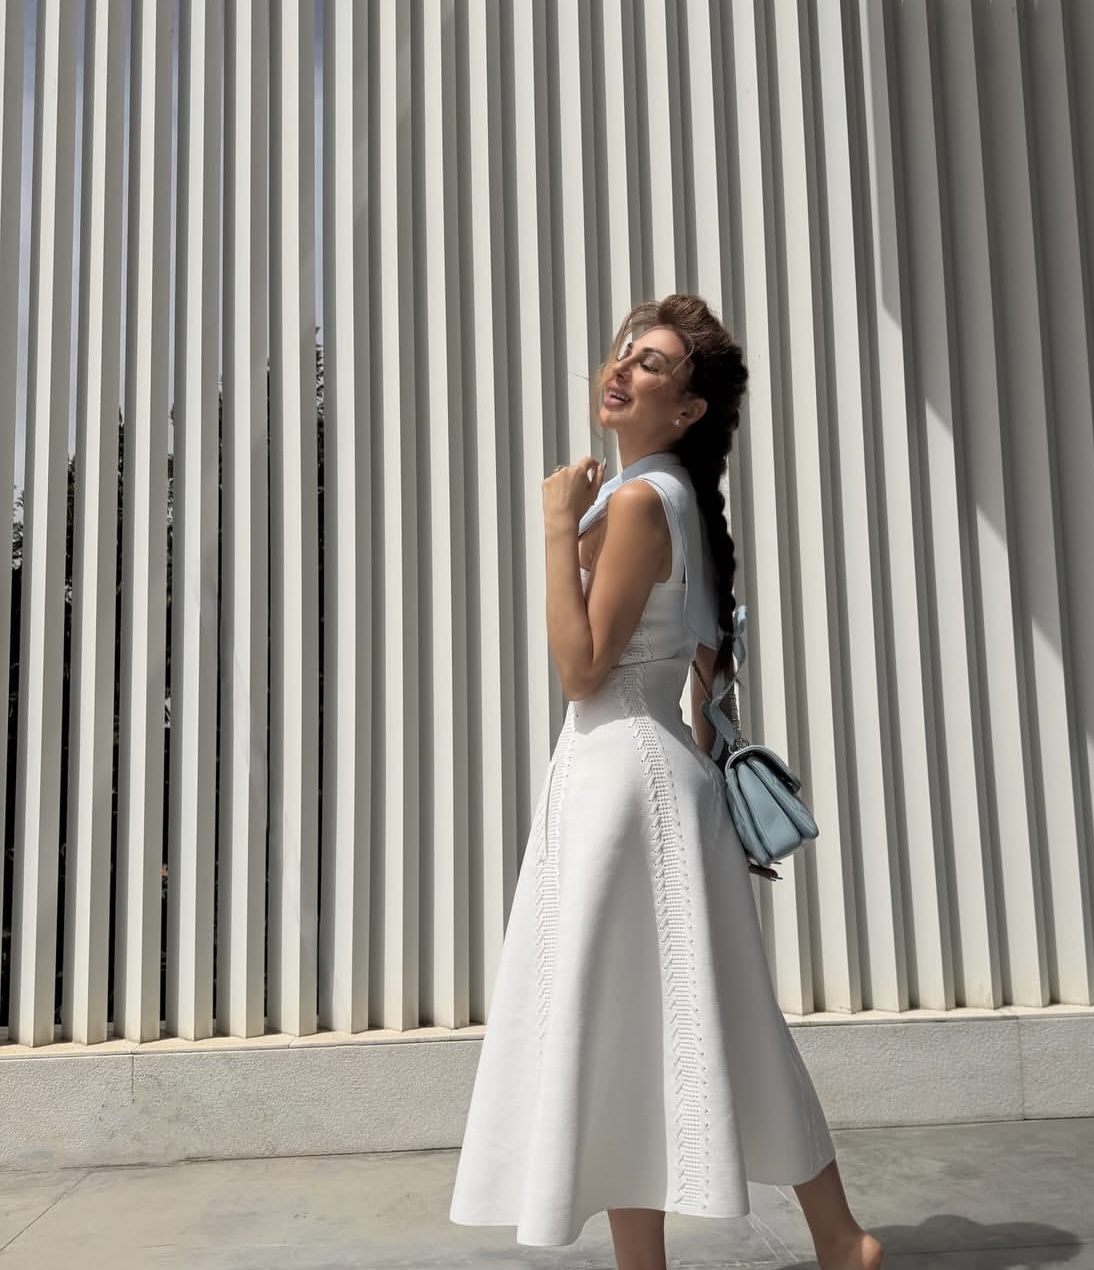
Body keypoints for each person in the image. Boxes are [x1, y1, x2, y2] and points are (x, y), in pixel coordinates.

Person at [450, 295, 883, 1270]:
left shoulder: (642, 501)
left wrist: (553, 528)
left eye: (650, 364)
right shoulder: (663, 496)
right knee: (695, 1025)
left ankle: (830, 1240)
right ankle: (838, 1238)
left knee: (622, 1032)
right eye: (623, 352)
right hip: (637, 780)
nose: (621, 369)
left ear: (686, 409)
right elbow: (697, 668)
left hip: (621, 785)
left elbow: (581, 671)